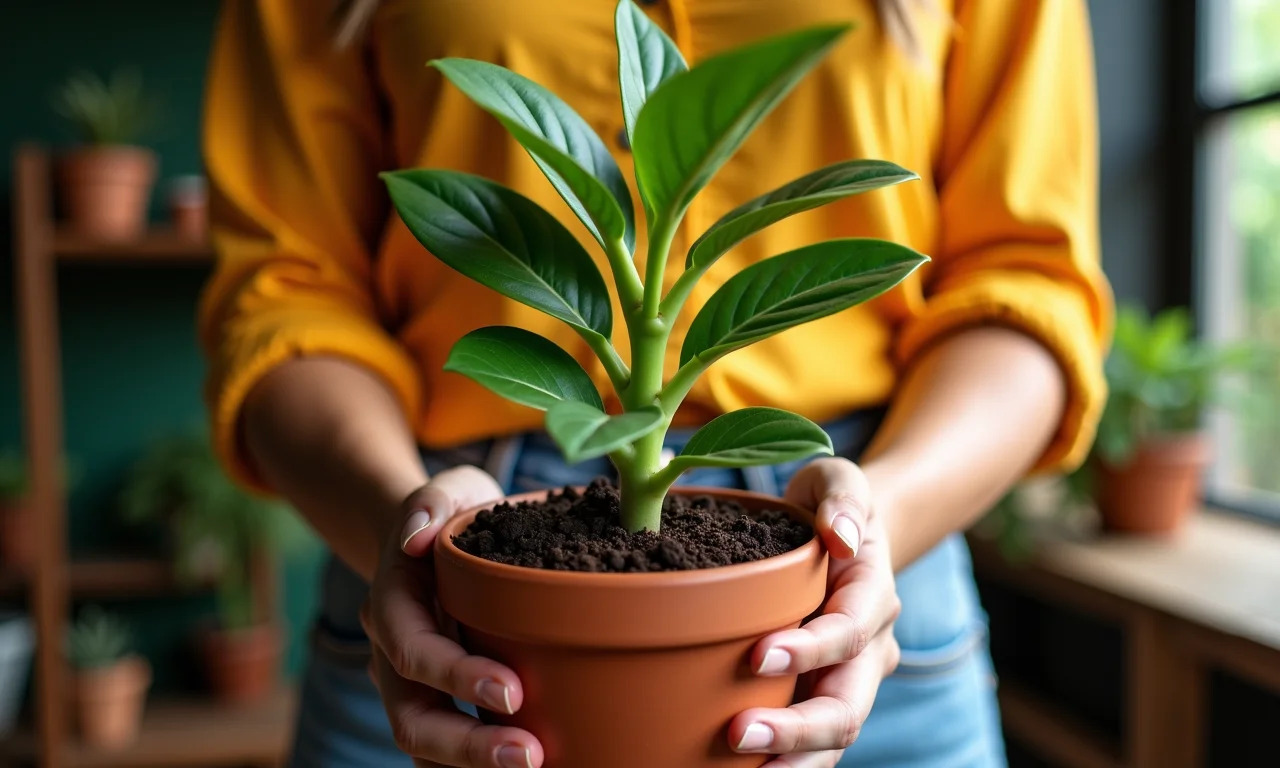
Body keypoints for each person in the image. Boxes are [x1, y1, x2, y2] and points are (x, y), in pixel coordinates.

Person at [197, 0, 1111, 766]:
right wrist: (405, 528)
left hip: (860, 574)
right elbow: (288, 296)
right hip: (450, 571)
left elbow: (1024, 285)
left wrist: (870, 530)